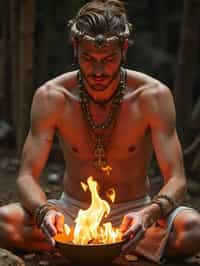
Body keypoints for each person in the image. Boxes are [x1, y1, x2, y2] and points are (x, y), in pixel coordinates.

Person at [0, 0, 199, 263]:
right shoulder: (52, 97)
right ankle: (86, 244)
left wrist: (148, 214)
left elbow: (177, 179)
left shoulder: (153, 96)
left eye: (108, 59)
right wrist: (44, 213)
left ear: (124, 49)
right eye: (88, 58)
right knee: (3, 222)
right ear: (75, 48)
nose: (98, 71)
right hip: (70, 215)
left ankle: (91, 247)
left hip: (136, 217)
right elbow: (26, 176)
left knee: (194, 230)